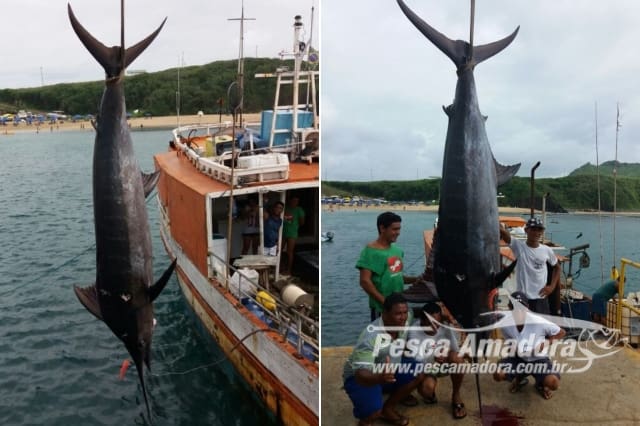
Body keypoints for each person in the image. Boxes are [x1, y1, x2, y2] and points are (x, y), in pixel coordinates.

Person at [343, 293, 423, 426]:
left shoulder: (406, 318)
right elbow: (360, 375)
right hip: (363, 377)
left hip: (389, 368)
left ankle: (388, 408)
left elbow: (418, 312)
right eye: (398, 314)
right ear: (384, 314)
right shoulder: (370, 338)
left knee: (419, 372)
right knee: (373, 412)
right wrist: (381, 377)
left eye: (405, 312)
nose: (403, 318)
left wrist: (444, 313)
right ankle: (367, 418)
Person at [493, 291, 566, 400]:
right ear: (509, 307)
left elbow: (561, 332)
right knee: (498, 374)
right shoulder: (505, 324)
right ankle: (519, 378)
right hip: (519, 358)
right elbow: (510, 344)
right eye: (514, 308)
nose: (518, 312)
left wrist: (546, 342)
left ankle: (541, 384)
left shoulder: (538, 321)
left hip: (539, 359)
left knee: (554, 383)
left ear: (527, 307)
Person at [407, 302, 467, 419]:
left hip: (443, 362)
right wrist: (432, 356)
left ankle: (456, 395)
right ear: (422, 321)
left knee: (458, 359)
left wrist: (450, 326)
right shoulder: (414, 330)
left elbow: (455, 349)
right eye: (431, 323)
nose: (435, 327)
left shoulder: (444, 326)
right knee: (426, 390)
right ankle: (431, 393)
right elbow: (416, 358)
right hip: (426, 366)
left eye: (438, 323)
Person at [357, 212, 417, 321]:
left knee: (399, 337)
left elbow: (396, 276)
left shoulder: (397, 250)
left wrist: (416, 279)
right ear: (382, 228)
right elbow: (364, 281)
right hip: (382, 309)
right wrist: (386, 303)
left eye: (399, 229)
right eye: (394, 229)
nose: (398, 233)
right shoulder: (370, 251)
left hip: (400, 308)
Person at [499, 217, 560, 314]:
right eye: (533, 229)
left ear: (542, 232)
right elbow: (506, 235)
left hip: (541, 299)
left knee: (541, 327)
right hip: (523, 298)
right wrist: (498, 225)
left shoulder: (547, 250)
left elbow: (557, 267)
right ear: (526, 230)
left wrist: (552, 287)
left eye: (539, 229)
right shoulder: (518, 246)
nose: (536, 232)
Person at [282, 195, 305, 274]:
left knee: (290, 252)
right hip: (282, 232)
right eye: (294, 200)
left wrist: (294, 224)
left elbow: (302, 222)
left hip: (292, 233)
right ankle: (281, 267)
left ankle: (289, 270)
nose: (295, 202)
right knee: (279, 251)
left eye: (297, 201)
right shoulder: (285, 208)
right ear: (290, 200)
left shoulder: (299, 210)